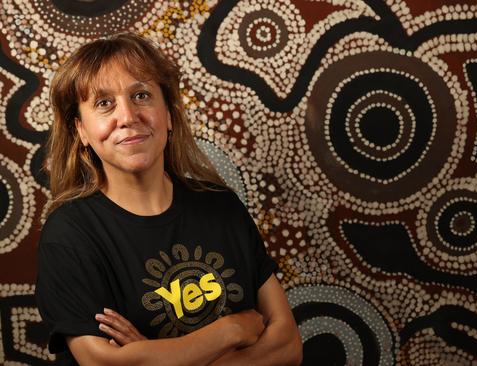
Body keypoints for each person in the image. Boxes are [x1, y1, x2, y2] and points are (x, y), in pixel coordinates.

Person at [35, 32, 303, 365]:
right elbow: (101, 363)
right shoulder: (70, 236)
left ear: (169, 115)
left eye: (142, 95)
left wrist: (156, 355)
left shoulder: (221, 207)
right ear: (81, 131)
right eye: (104, 103)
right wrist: (230, 330)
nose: (128, 117)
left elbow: (288, 346)